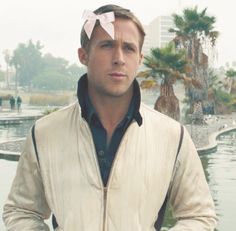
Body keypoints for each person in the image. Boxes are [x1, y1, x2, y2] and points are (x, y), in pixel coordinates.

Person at [3, 4, 217, 230]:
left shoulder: (173, 136)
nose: (119, 58)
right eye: (107, 45)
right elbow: (21, 210)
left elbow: (199, 215)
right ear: (83, 55)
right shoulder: (45, 133)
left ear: (140, 58)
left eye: (129, 48)